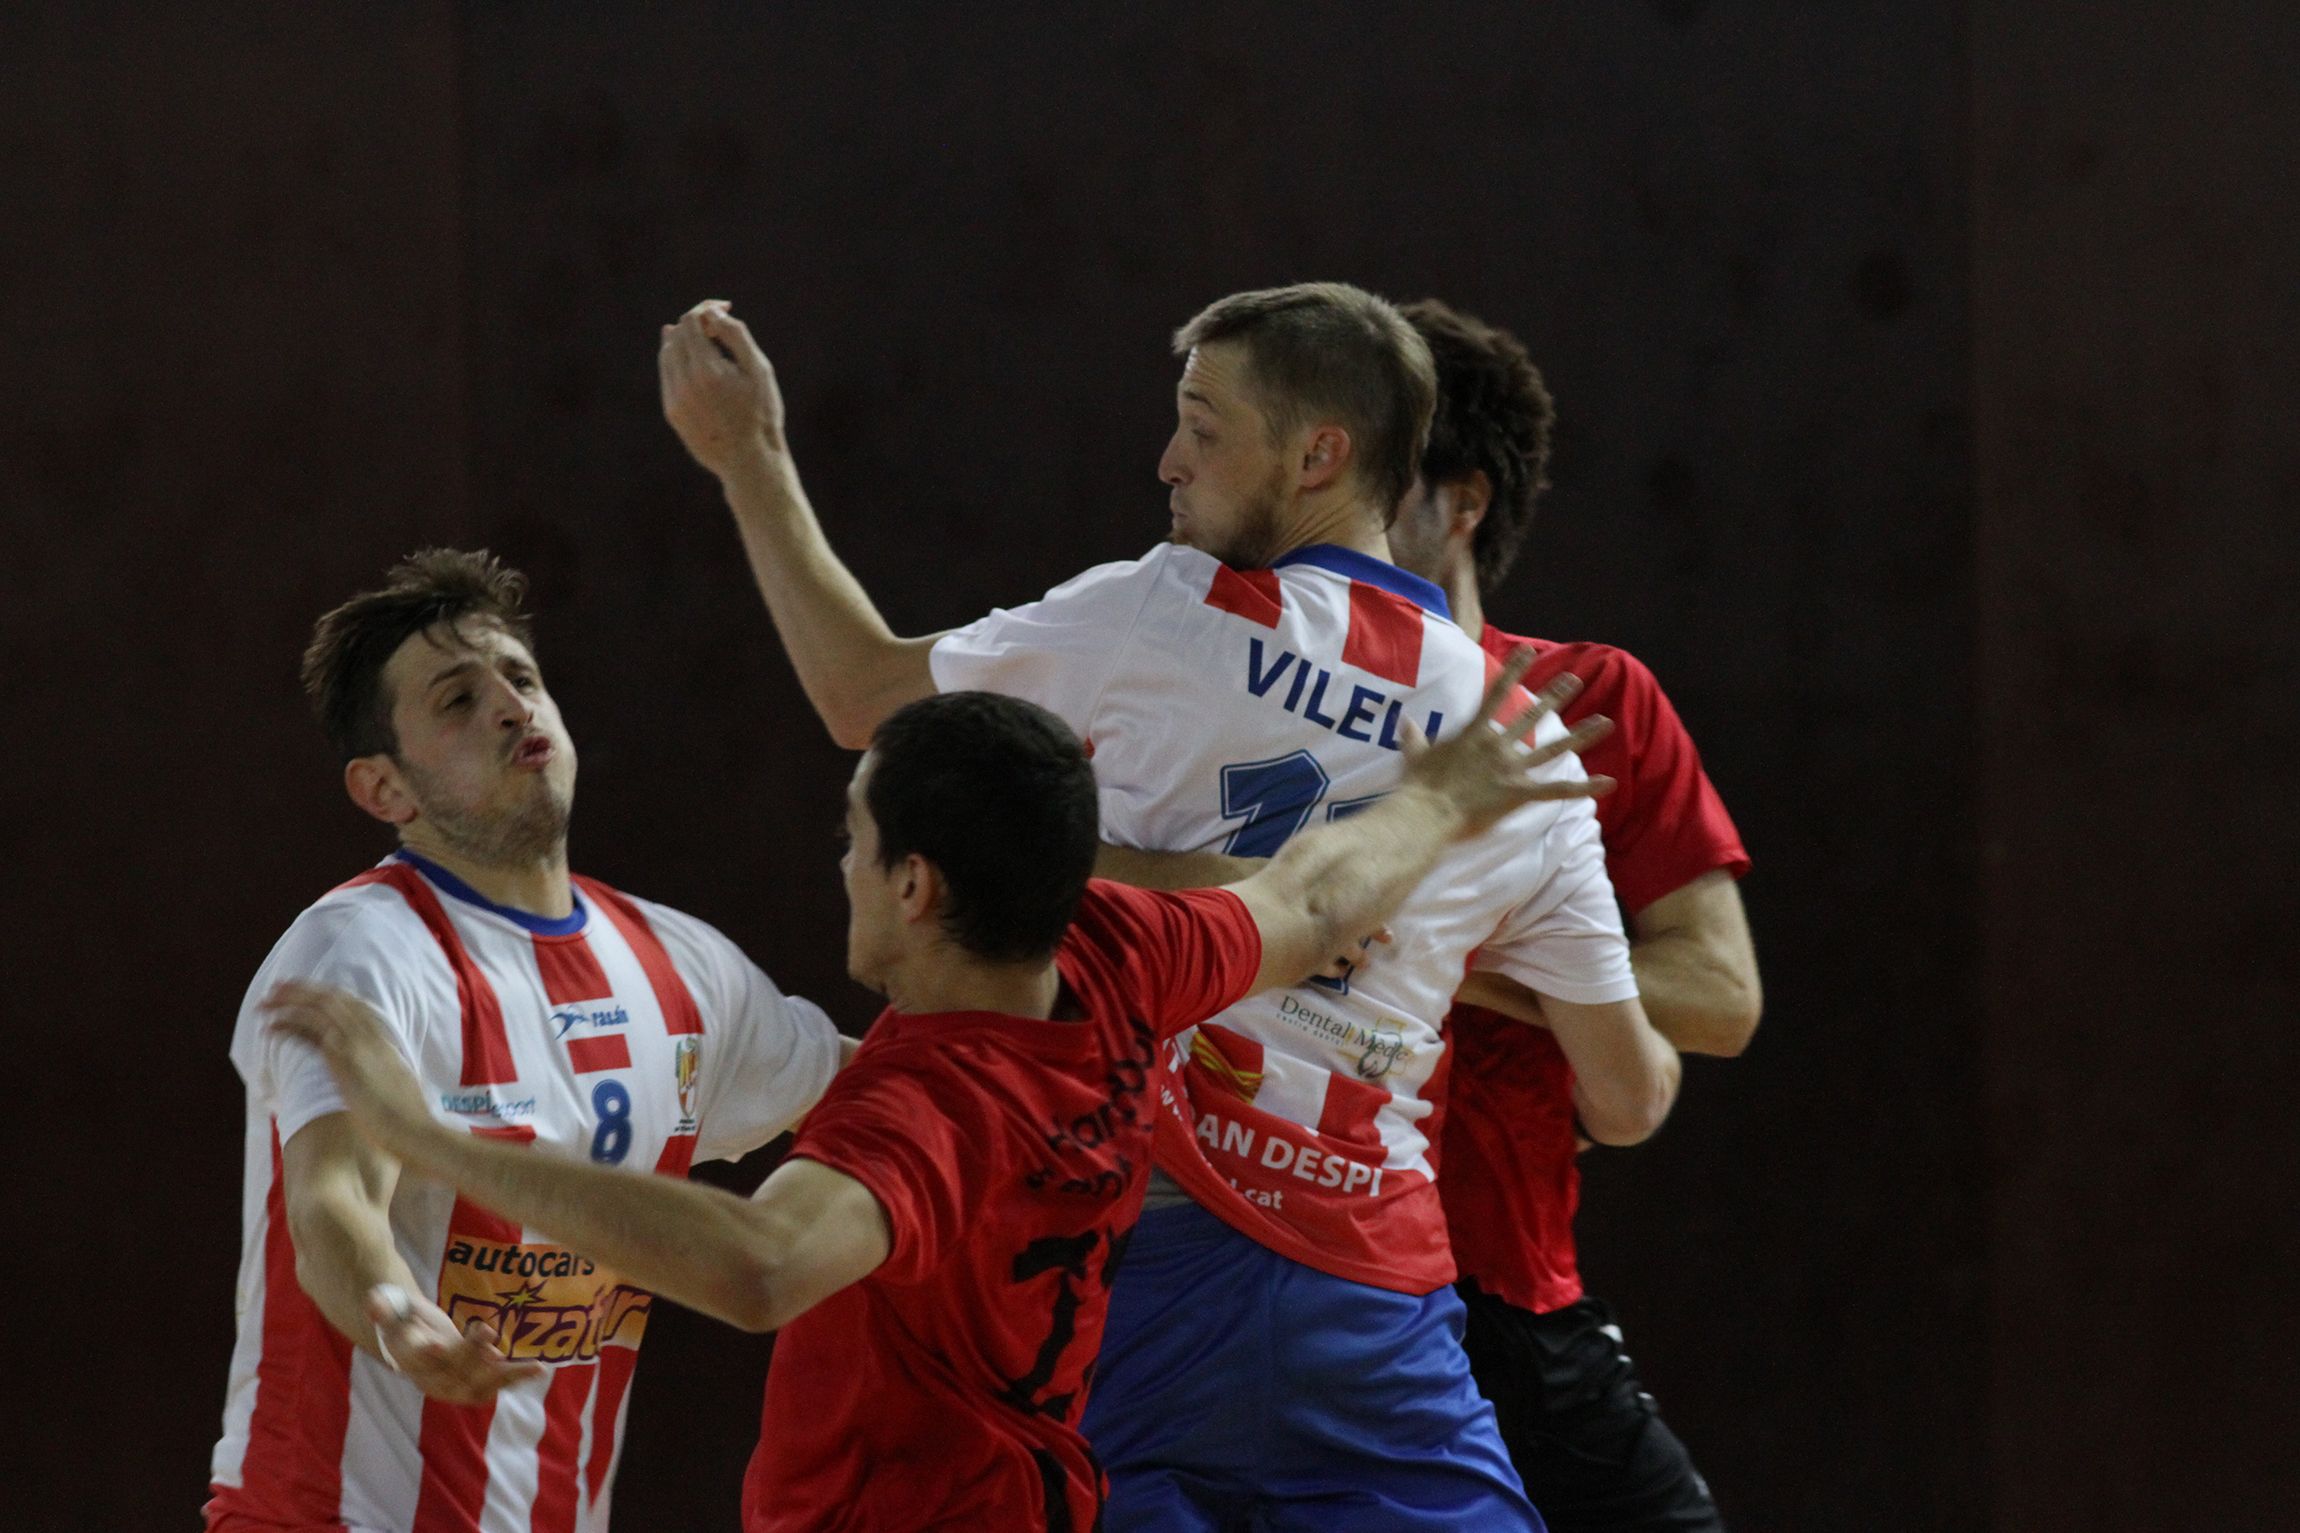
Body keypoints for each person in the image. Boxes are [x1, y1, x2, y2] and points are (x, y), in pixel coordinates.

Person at [656, 282, 1682, 1529]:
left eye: (1202, 425)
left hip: (1131, 1261)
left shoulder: (1169, 607)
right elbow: (1626, 1099)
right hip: (1373, 1303)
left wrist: (748, 457)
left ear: (1318, 455)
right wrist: (1434, 949)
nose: (1168, 460)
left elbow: (858, 693)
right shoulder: (1514, 733)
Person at [270, 667, 1613, 1532]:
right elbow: (1314, 897)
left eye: (857, 838)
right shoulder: (1119, 952)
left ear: (915, 884)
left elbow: (761, 1262)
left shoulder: (928, 1104)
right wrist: (1442, 794)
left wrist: (424, 1134)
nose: (841, 861)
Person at [204, 550, 847, 1533]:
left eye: (523, 677)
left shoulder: (681, 966)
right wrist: (394, 1308)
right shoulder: (359, 949)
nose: (511, 706)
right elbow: (332, 1200)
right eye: (458, 700)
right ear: (385, 790)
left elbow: (884, 1086)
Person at [1389, 298, 1761, 1531]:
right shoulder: (1254, 702)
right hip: (1313, 1285)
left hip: (1510, 1295)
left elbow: (1715, 999)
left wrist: (1476, 960)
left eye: (1360, 471)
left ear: (1461, 501)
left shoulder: (1589, 698)